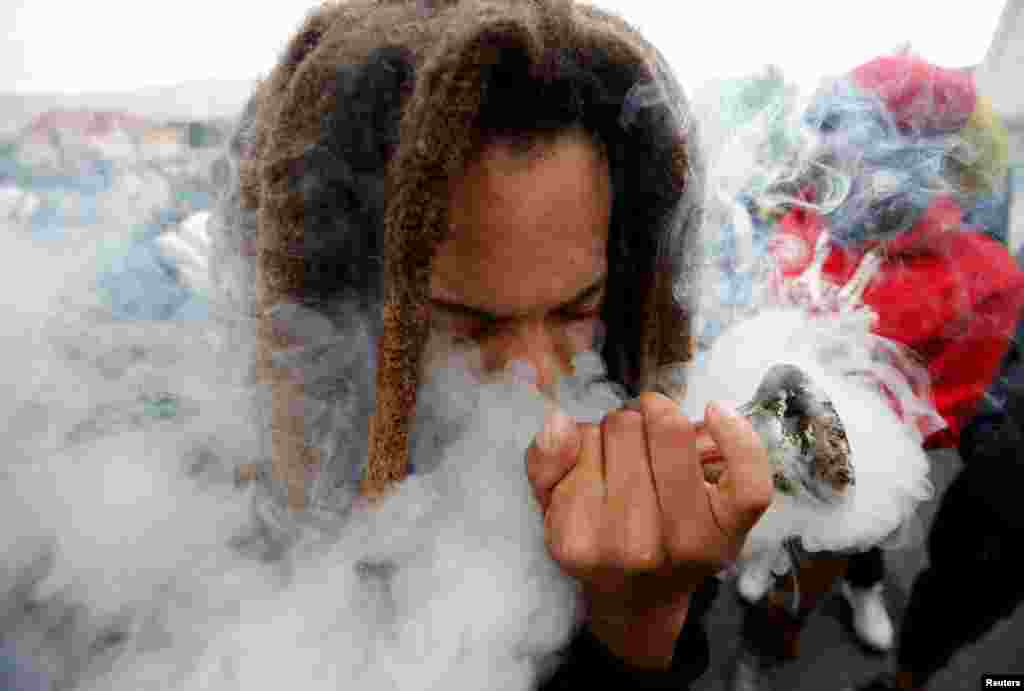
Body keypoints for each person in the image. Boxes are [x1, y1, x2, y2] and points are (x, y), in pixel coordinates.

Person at [210, 1, 773, 688]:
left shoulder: (638, 386)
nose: (538, 385)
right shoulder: (220, 524)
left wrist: (641, 627)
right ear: (330, 300)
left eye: (576, 309)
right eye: (463, 324)